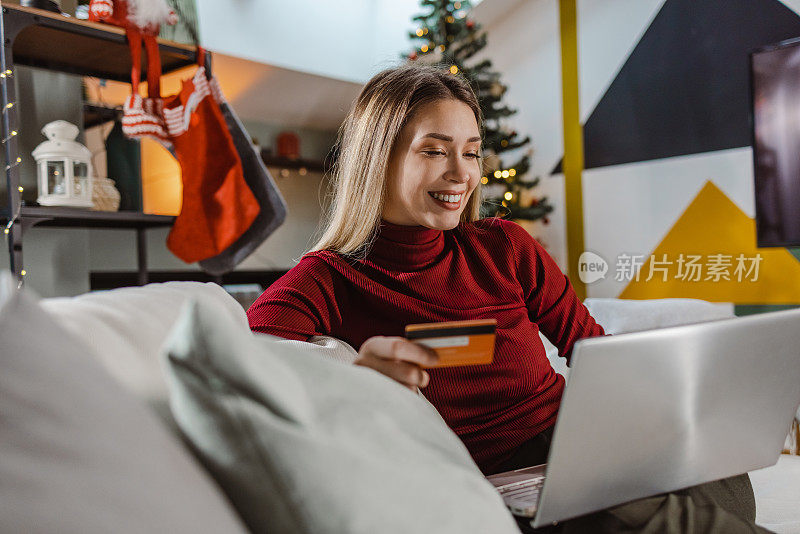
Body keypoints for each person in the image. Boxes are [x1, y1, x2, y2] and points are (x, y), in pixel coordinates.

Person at [246, 64, 768, 533]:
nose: (461, 173)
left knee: (718, 476)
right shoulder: (326, 278)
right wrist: (357, 384)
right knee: (642, 515)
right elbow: (245, 365)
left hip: (579, 447)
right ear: (378, 158)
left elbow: (590, 348)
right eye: (434, 150)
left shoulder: (504, 246)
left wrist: (661, 411)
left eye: (471, 151)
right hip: (498, 478)